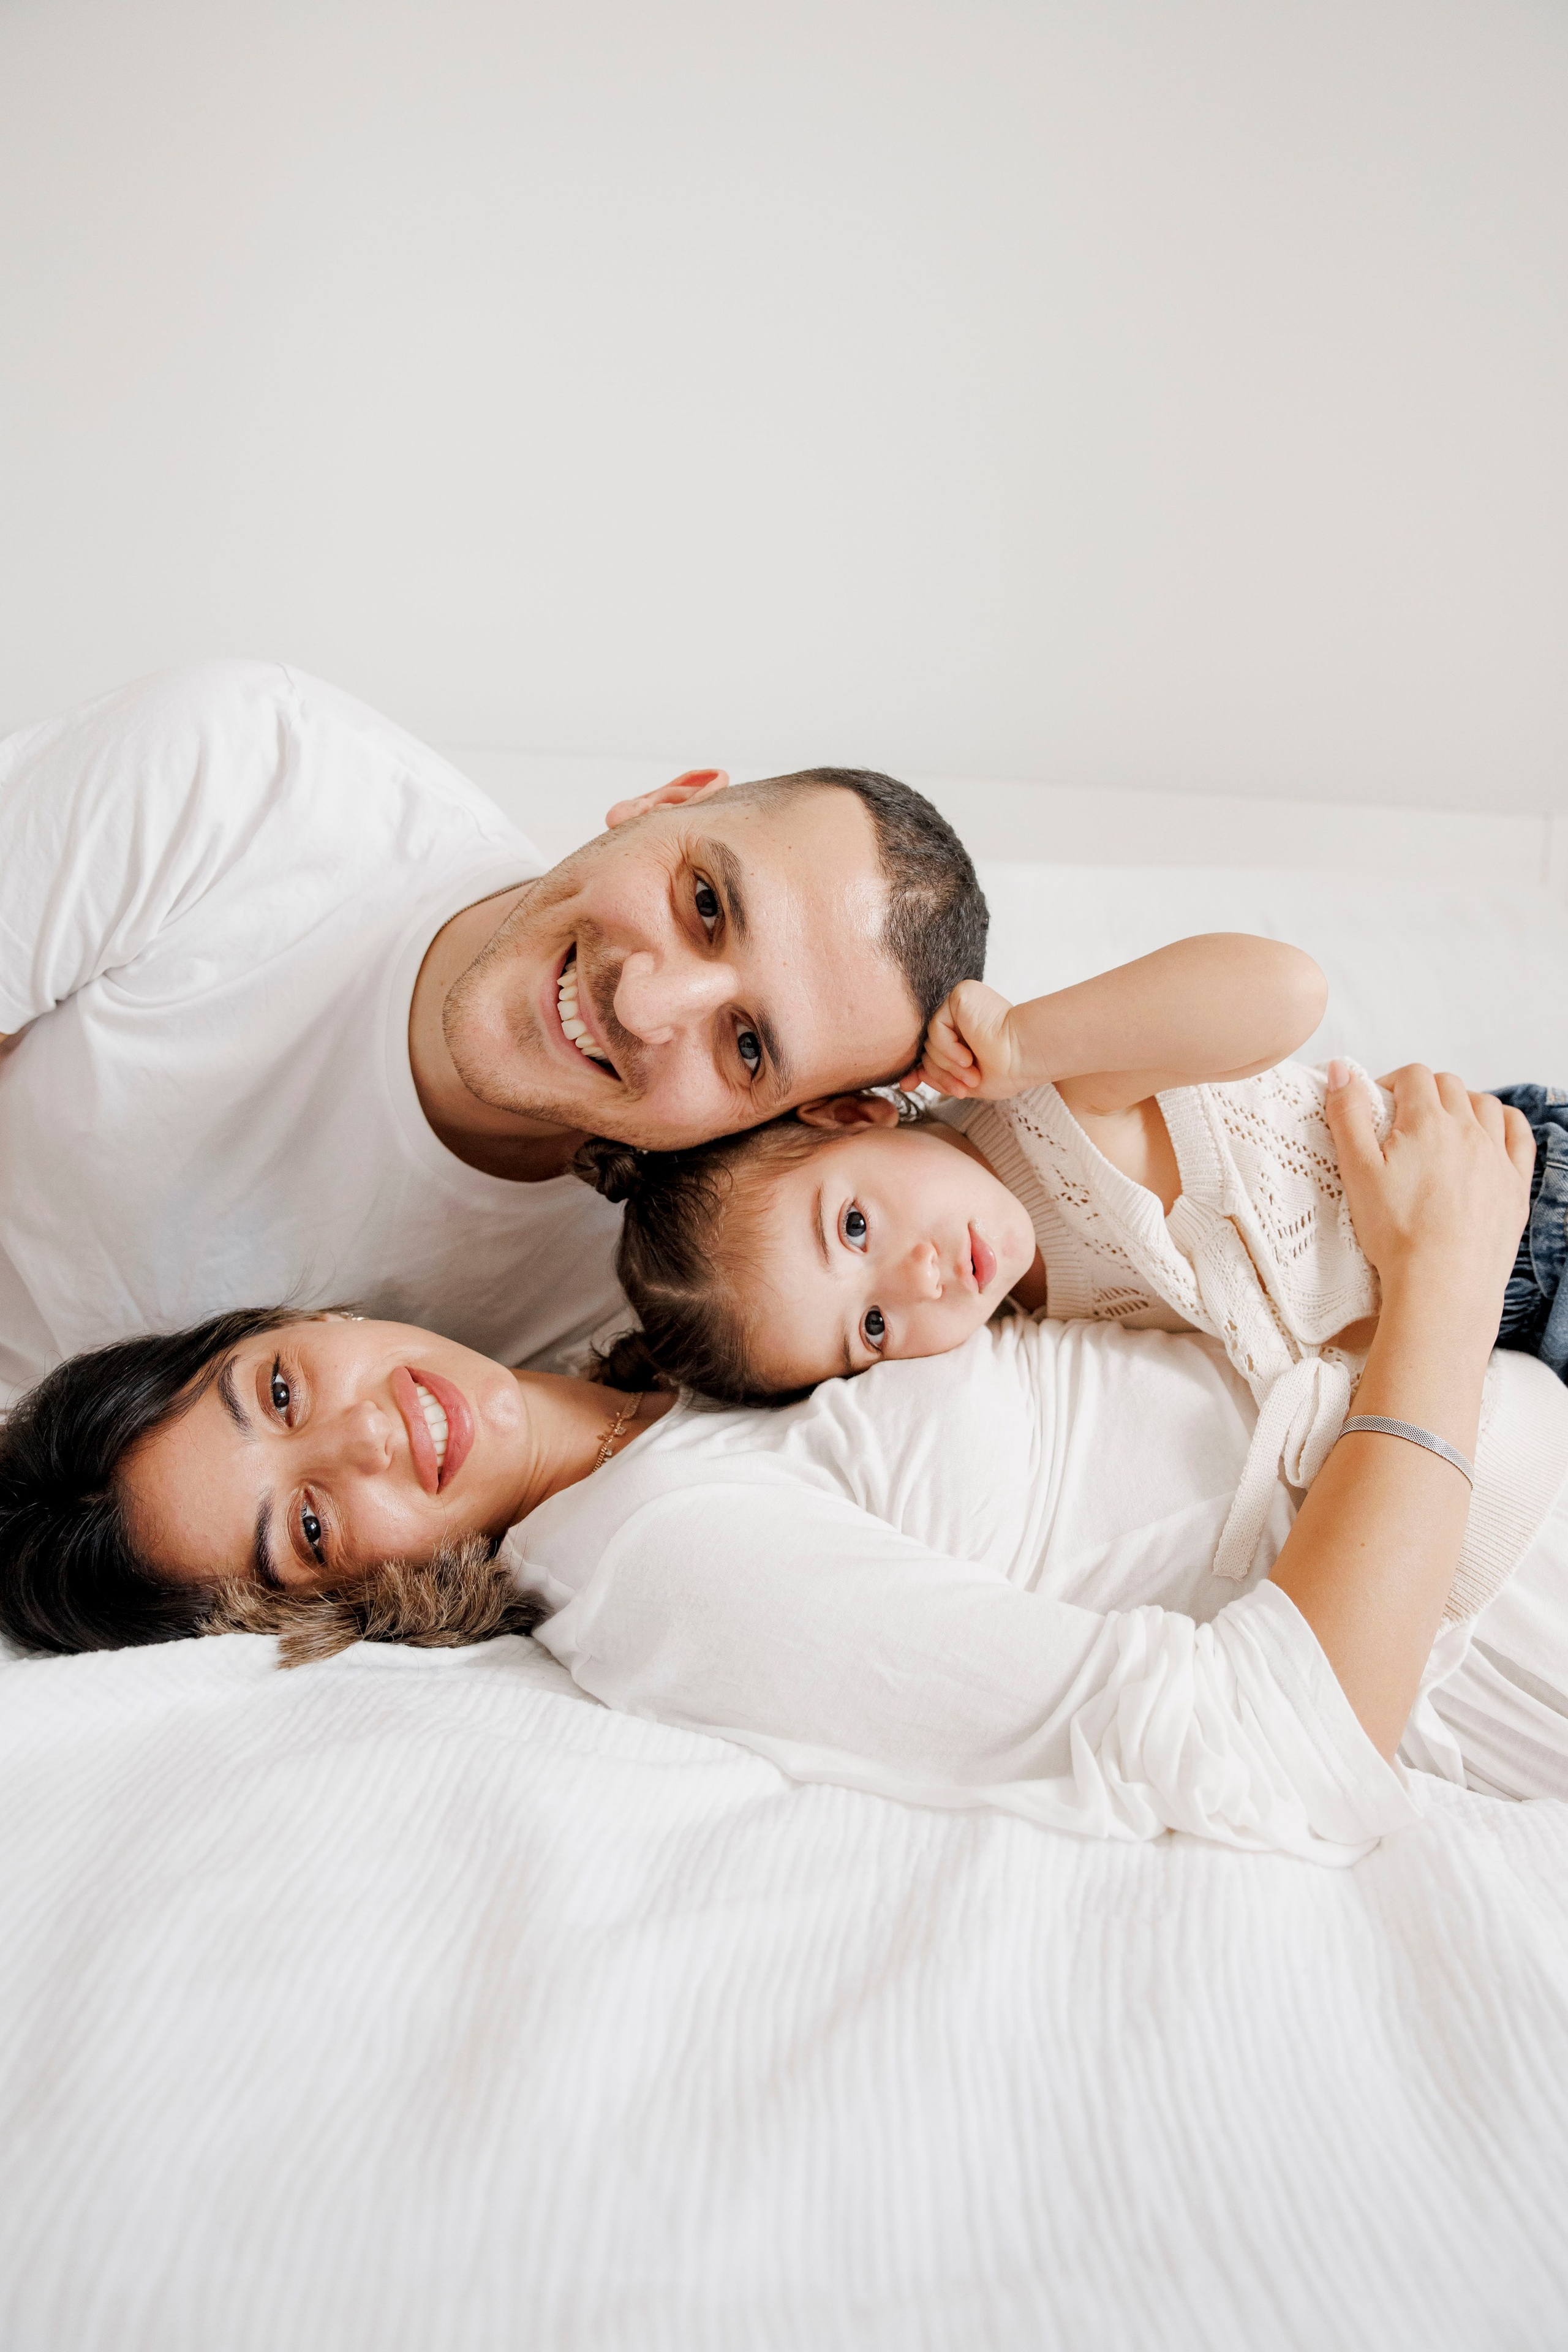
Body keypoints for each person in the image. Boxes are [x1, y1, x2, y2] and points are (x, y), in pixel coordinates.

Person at [2, 1065, 1559, 1866]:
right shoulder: (660, 1559)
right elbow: (1271, 1754)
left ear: (305, 1315)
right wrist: (1441, 1277)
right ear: (330, 1609)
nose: (362, 1430)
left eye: (278, 1387)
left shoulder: (666, 1347)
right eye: (311, 1522)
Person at [0, 660, 986, 1403]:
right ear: (663, 802)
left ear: (818, 1117)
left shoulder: (671, 1296)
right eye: (704, 901)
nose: (643, 1004)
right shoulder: (247, 774)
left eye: (747, 1047)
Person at [578, 935, 1568, 1610]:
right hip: (1489, 1337)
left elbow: (1286, 989)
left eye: (853, 1225)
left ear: (851, 1115)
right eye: (871, 1328)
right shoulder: (1023, 1336)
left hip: (1529, 1214)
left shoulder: (1043, 1107)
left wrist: (1032, 1038)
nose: (920, 1280)